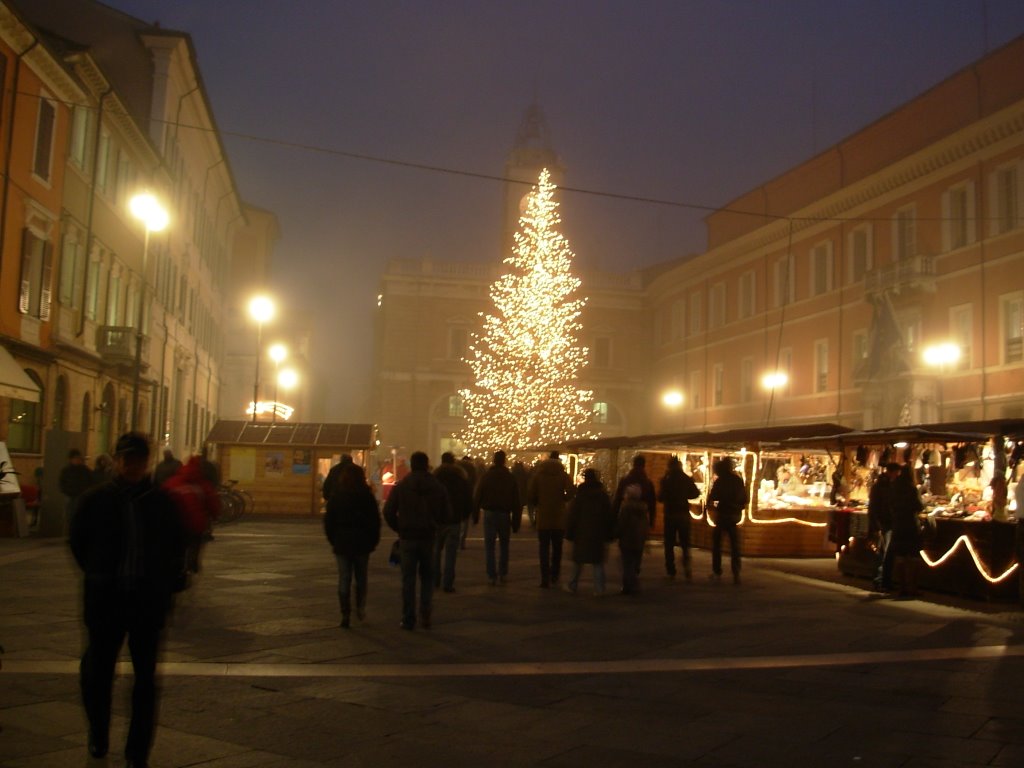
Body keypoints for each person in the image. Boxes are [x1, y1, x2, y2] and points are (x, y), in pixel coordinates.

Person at [69, 432, 187, 768]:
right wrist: (98, 573)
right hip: (106, 599)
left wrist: (166, 584)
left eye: (137, 459)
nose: (132, 465)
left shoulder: (162, 502)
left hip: (146, 602)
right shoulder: (95, 500)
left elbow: (175, 546)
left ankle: (137, 750)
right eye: (126, 459)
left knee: (146, 680)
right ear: (117, 460)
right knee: (97, 673)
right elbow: (78, 543)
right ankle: (99, 732)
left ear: (146, 461)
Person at [383, 451, 450, 630]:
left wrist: (400, 528)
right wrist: (437, 527)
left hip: (408, 537)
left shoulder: (402, 486)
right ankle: (425, 614)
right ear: (427, 465)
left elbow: (388, 511)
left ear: (412, 465)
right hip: (428, 537)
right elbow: (446, 514)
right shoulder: (438, 487)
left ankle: (408, 617)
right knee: (428, 578)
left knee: (408, 579)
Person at [323, 463, 381, 627]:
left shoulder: (337, 496)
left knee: (344, 578)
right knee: (361, 578)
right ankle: (360, 608)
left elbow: (329, 521)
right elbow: (374, 521)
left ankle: (345, 613)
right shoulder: (366, 496)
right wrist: (373, 541)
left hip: (342, 541)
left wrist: (333, 539)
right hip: (362, 542)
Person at [164, 455, 221, 575]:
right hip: (196, 524)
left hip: (175, 524)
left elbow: (162, 497)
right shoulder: (202, 484)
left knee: (176, 548)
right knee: (194, 545)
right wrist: (215, 515)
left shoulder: (173, 482)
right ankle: (192, 567)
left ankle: (178, 566)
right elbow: (212, 502)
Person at [528, 451, 575, 588]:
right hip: (558, 516)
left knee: (543, 548)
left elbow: (531, 494)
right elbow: (571, 491)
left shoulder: (539, 476)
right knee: (557, 548)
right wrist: (563, 499)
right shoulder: (563, 475)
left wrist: (538, 503)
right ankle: (555, 574)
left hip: (543, 516)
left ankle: (544, 578)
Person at [474, 450, 520, 586]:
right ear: (504, 460)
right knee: (504, 545)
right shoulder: (510, 477)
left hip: (489, 513)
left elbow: (478, 495)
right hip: (504, 514)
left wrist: (475, 514)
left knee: (489, 545)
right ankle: (503, 573)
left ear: (494, 460)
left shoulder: (487, 476)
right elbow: (516, 500)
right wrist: (516, 521)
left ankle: (491, 574)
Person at [565, 468, 613, 595]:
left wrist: (569, 533)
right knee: (597, 563)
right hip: (598, 533)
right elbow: (608, 516)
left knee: (578, 561)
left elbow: (573, 515)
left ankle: (572, 585)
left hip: (581, 532)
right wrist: (609, 534)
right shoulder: (603, 496)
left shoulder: (580, 495)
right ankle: (599, 588)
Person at [433, 452, 472, 593]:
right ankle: (448, 583)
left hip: (438, 519)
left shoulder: (435, 477)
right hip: (454, 519)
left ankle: (435, 579)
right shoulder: (460, 478)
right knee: (451, 553)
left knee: (436, 551)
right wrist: (466, 514)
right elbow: (467, 497)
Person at [611, 455, 657, 572]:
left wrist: (613, 517)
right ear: (644, 465)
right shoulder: (647, 482)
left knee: (625, 547)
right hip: (641, 518)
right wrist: (652, 520)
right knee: (638, 546)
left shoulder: (625, 480)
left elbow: (617, 500)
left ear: (633, 464)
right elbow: (652, 503)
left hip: (626, 516)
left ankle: (628, 574)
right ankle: (636, 568)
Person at [658, 456, 701, 581]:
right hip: (683, 514)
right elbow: (695, 493)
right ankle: (687, 568)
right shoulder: (686, 478)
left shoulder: (666, 479)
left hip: (670, 513)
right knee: (685, 543)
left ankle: (671, 571)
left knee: (669, 544)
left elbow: (660, 497)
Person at [707, 457, 748, 584]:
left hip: (723, 515)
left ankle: (717, 570)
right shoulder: (737, 480)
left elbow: (713, 497)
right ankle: (736, 572)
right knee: (734, 546)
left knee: (717, 544)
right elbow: (745, 498)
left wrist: (714, 506)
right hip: (734, 516)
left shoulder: (720, 481)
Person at [889, 465, 925, 599]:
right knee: (914, 558)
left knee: (900, 558)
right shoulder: (911, 488)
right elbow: (919, 506)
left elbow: (890, 505)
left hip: (898, 525)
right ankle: (913, 587)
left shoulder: (894, 487)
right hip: (910, 525)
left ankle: (902, 587)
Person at [868, 462, 900, 592]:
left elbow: (873, 506)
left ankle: (879, 579)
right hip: (885, 523)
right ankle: (883, 581)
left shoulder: (879, 485)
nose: (897, 475)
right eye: (897, 473)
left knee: (882, 553)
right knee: (886, 554)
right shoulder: (886, 486)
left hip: (882, 522)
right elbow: (879, 506)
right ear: (892, 472)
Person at [616, 484, 649, 595]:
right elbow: (645, 525)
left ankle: (629, 585)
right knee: (635, 562)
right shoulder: (643, 508)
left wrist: (617, 534)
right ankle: (633, 582)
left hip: (627, 538)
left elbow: (622, 523)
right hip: (639, 539)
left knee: (626, 563)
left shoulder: (625, 507)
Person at [59, 448, 93, 533]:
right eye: (75, 458)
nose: (77, 460)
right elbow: (62, 483)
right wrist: (66, 491)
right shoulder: (66, 470)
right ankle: (70, 532)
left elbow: (91, 481)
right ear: (71, 459)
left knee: (81, 515)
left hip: (81, 495)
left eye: (79, 458)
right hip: (70, 495)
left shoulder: (85, 470)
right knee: (70, 515)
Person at [457, 455, 478, 549]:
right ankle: (462, 541)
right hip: (468, 495)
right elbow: (475, 480)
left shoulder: (456, 467)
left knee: (457, 520)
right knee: (465, 520)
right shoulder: (472, 468)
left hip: (457, 496)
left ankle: (456, 540)